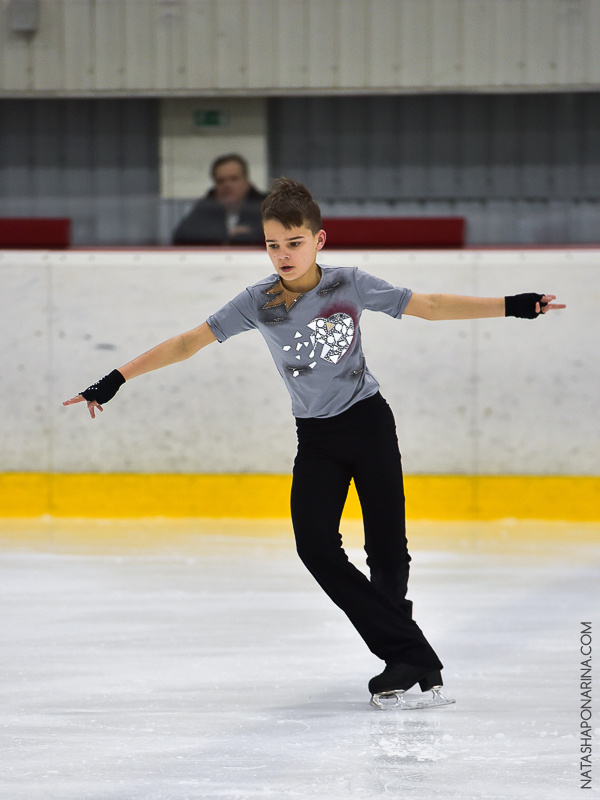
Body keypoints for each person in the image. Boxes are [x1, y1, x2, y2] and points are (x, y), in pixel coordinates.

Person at [64, 178, 565, 706]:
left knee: (388, 549)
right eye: (272, 244)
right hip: (318, 438)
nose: (282, 254)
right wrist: (114, 380)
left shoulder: (349, 283)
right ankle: (411, 650)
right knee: (315, 546)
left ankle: (402, 657)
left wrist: (517, 304)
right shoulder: (257, 301)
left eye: (293, 243)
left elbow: (432, 306)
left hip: (369, 423)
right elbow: (190, 341)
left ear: (319, 239)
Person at [172, 153, 267, 246]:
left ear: (247, 181)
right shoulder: (206, 207)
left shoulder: (267, 207)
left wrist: (251, 234)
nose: (227, 186)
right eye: (221, 181)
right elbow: (181, 236)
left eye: (234, 179)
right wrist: (224, 235)